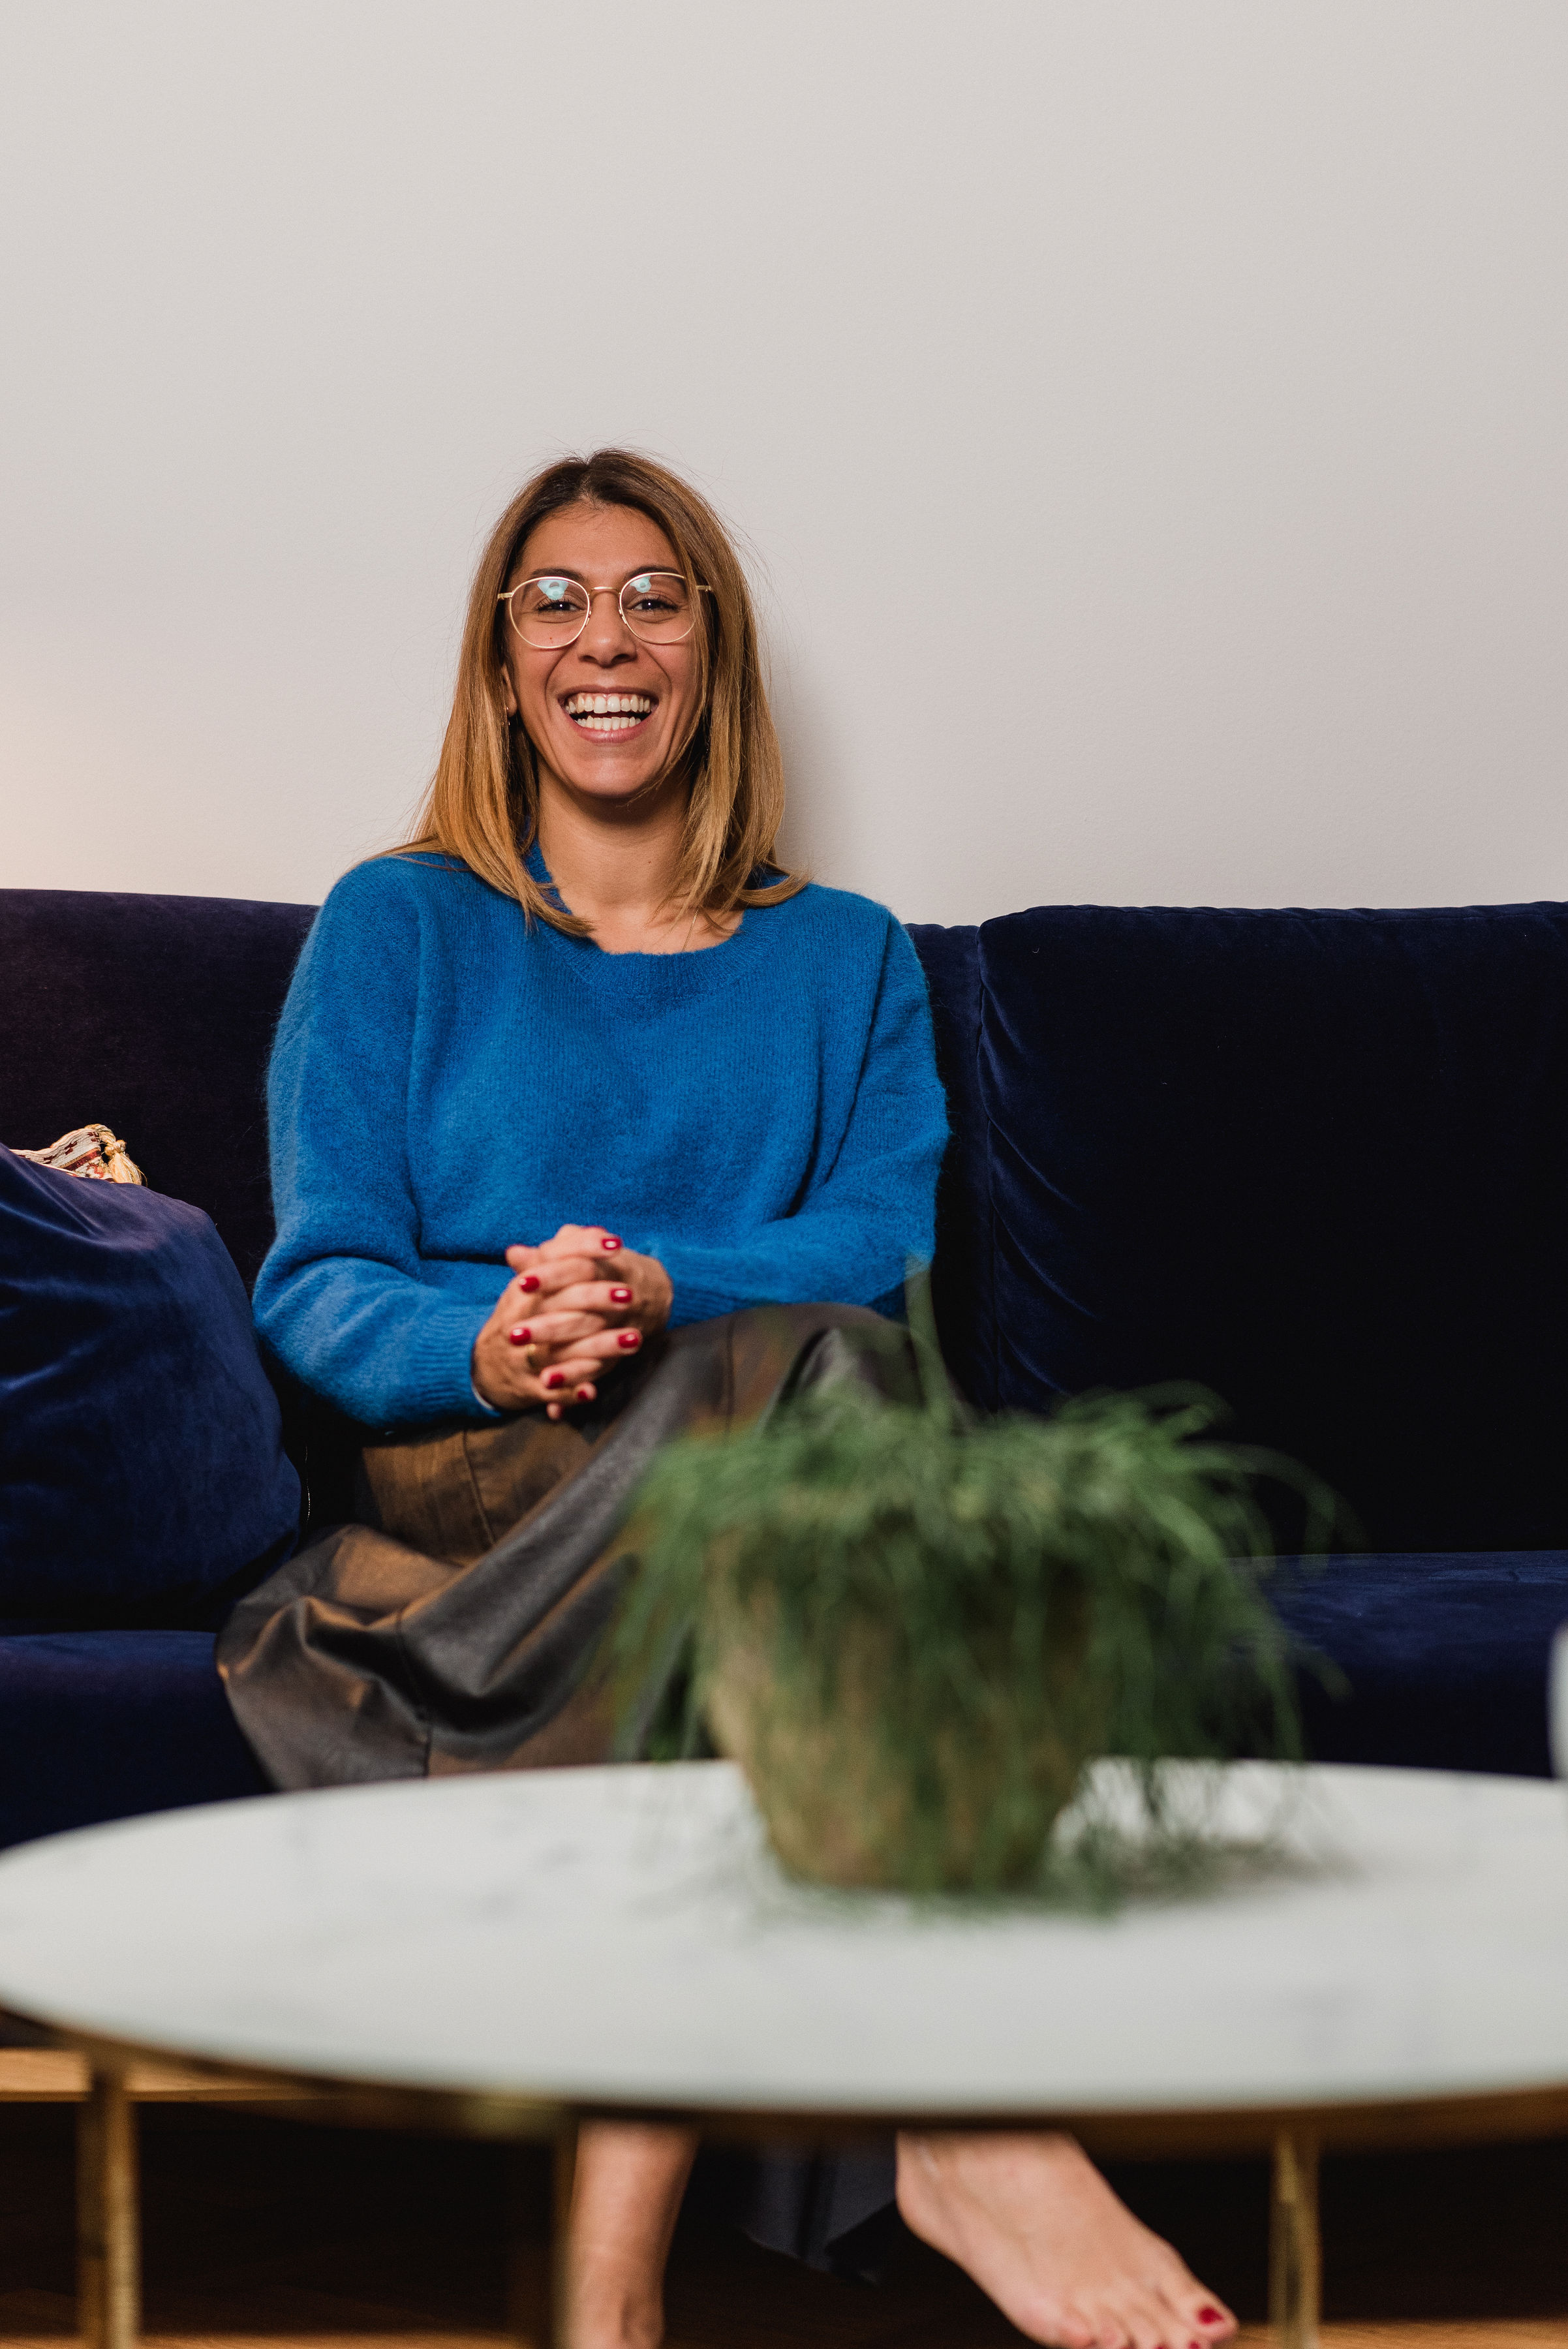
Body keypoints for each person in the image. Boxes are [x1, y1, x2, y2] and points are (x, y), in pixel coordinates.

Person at [221, 449, 1238, 2349]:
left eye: (652, 598)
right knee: (828, 1413)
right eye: (553, 601)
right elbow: (319, 1272)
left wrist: (662, 1285)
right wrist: (495, 1340)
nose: (602, 640)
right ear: (501, 662)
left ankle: (610, 2283)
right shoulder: (397, 923)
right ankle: (970, 2128)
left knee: (814, 1397)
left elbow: (878, 1238)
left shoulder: (842, 957)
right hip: (487, 1480)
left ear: (713, 651)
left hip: (734, 1466)